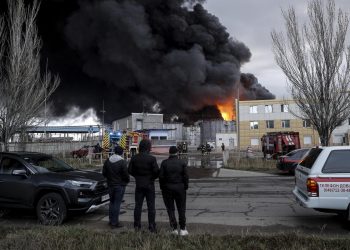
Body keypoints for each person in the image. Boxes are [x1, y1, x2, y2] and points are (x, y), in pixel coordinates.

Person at [128, 139, 159, 232]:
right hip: (149, 185)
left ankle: (137, 225)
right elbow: (157, 172)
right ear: (148, 147)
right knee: (151, 207)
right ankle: (151, 226)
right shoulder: (152, 159)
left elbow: (129, 170)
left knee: (138, 206)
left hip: (139, 185)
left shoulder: (134, 158)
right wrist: (152, 178)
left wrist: (137, 176)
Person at [159, 146, 189, 236]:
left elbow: (161, 177)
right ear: (177, 153)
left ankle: (174, 229)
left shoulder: (164, 163)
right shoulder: (182, 162)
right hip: (180, 188)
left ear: (169, 153)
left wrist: (162, 187)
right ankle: (183, 229)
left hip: (167, 188)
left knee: (170, 209)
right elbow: (186, 176)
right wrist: (185, 186)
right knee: (181, 209)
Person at [102, 145, 129, 229]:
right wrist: (125, 182)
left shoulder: (107, 161)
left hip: (110, 185)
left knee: (112, 203)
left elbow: (104, 173)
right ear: (121, 152)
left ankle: (110, 220)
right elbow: (126, 175)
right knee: (117, 204)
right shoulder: (122, 162)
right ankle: (115, 222)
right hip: (119, 186)